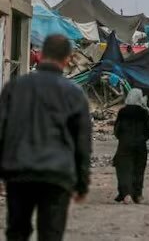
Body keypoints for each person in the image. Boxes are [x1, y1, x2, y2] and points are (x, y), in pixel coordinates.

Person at [0, 34, 91, 241]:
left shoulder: (15, 87)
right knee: (51, 235)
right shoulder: (74, 94)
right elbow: (82, 143)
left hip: (19, 171)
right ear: (68, 59)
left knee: (17, 232)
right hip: (57, 175)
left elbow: (2, 131)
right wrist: (81, 183)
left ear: (40, 55)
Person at [114, 88, 149, 204]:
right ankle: (138, 195)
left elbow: (117, 130)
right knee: (138, 170)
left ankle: (126, 194)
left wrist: (122, 138)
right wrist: (142, 139)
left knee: (124, 169)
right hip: (140, 146)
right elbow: (148, 130)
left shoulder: (122, 111)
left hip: (124, 145)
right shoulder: (144, 112)